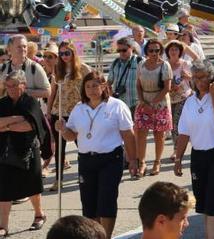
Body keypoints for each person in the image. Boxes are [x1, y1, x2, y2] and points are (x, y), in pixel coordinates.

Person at [54, 71, 137, 237]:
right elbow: (71, 135)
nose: (91, 89)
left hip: (110, 159)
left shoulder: (116, 105)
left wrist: (133, 159)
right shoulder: (79, 108)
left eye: (95, 85)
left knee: (106, 199)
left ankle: (106, 236)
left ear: (104, 86)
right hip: (86, 160)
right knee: (89, 203)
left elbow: (128, 134)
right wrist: (63, 129)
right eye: (88, 86)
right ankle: (93, 235)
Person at [172, 61, 214, 239]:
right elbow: (184, 132)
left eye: (203, 77)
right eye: (196, 77)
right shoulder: (190, 102)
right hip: (199, 155)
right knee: (207, 203)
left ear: (211, 77)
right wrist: (178, 158)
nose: (199, 81)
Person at [0, 71, 47, 235]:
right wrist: (16, 119)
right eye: (8, 85)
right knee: (4, 189)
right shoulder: (3, 103)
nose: (11, 89)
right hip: (6, 151)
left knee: (32, 186)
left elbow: (30, 125)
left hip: (28, 150)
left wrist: (6, 125)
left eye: (14, 85)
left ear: (23, 85)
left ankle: (39, 214)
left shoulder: (31, 102)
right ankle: (3, 226)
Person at [47, 40, 89, 190]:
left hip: (78, 112)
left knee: (82, 145)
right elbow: (53, 91)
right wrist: (48, 110)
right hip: (59, 112)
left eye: (67, 53)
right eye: (61, 53)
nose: (64, 56)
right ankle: (59, 179)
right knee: (60, 147)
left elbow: (90, 88)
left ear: (73, 53)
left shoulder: (84, 69)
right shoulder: (58, 69)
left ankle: (84, 175)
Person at [135, 38, 173, 177]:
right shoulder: (141, 65)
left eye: (157, 50)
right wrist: (143, 102)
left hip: (160, 102)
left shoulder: (165, 66)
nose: (154, 53)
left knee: (159, 134)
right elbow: (138, 85)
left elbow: (167, 88)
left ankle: (157, 162)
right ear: (146, 51)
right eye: (151, 50)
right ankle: (142, 162)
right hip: (144, 100)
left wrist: (153, 104)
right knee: (141, 133)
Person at [0, 35, 50, 100]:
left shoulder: (35, 67)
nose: (23, 49)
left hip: (28, 109)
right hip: (7, 109)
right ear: (9, 49)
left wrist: (24, 91)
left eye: (24, 46)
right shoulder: (2, 68)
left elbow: (48, 92)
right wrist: (2, 85)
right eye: (19, 47)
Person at [165, 40, 193, 142]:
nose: (173, 51)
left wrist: (187, 76)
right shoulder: (164, 65)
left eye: (176, 49)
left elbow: (194, 78)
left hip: (183, 97)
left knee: (176, 121)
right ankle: (176, 147)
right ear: (167, 51)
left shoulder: (185, 64)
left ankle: (177, 149)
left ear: (180, 51)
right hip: (168, 98)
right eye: (171, 49)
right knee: (171, 122)